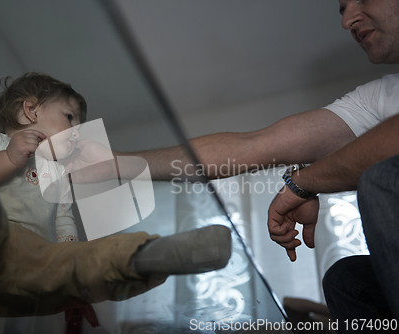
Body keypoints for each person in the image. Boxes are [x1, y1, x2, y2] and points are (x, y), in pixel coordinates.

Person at [123, 0, 399, 327]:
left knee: (381, 178)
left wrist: (303, 184)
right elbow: (252, 145)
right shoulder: (380, 97)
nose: (347, 19)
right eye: (342, 8)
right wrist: (120, 166)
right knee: (347, 279)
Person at [0, 73, 232, 324]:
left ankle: (144, 257)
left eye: (80, 124)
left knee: (57, 265)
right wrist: (8, 158)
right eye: (70, 117)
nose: (78, 130)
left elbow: (64, 222)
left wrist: (74, 279)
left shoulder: (57, 173)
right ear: (30, 110)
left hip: (7, 265)